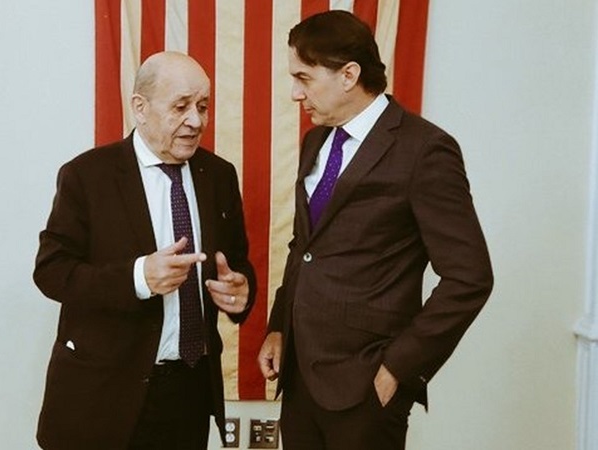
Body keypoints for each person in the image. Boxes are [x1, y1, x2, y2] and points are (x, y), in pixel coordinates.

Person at [257, 10, 493, 450]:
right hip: (301, 378)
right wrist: (279, 327)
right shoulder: (316, 140)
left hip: (367, 387)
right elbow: (306, 245)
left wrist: (398, 368)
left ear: (349, 75)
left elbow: (470, 277)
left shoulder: (425, 150)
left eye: (304, 78)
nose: (294, 93)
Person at [33, 51, 256, 450]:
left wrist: (240, 292)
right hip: (103, 396)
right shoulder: (87, 176)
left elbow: (236, 264)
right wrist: (139, 277)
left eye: (202, 107)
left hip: (188, 393)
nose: (196, 121)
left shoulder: (219, 176)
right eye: (181, 107)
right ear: (140, 107)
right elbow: (51, 271)